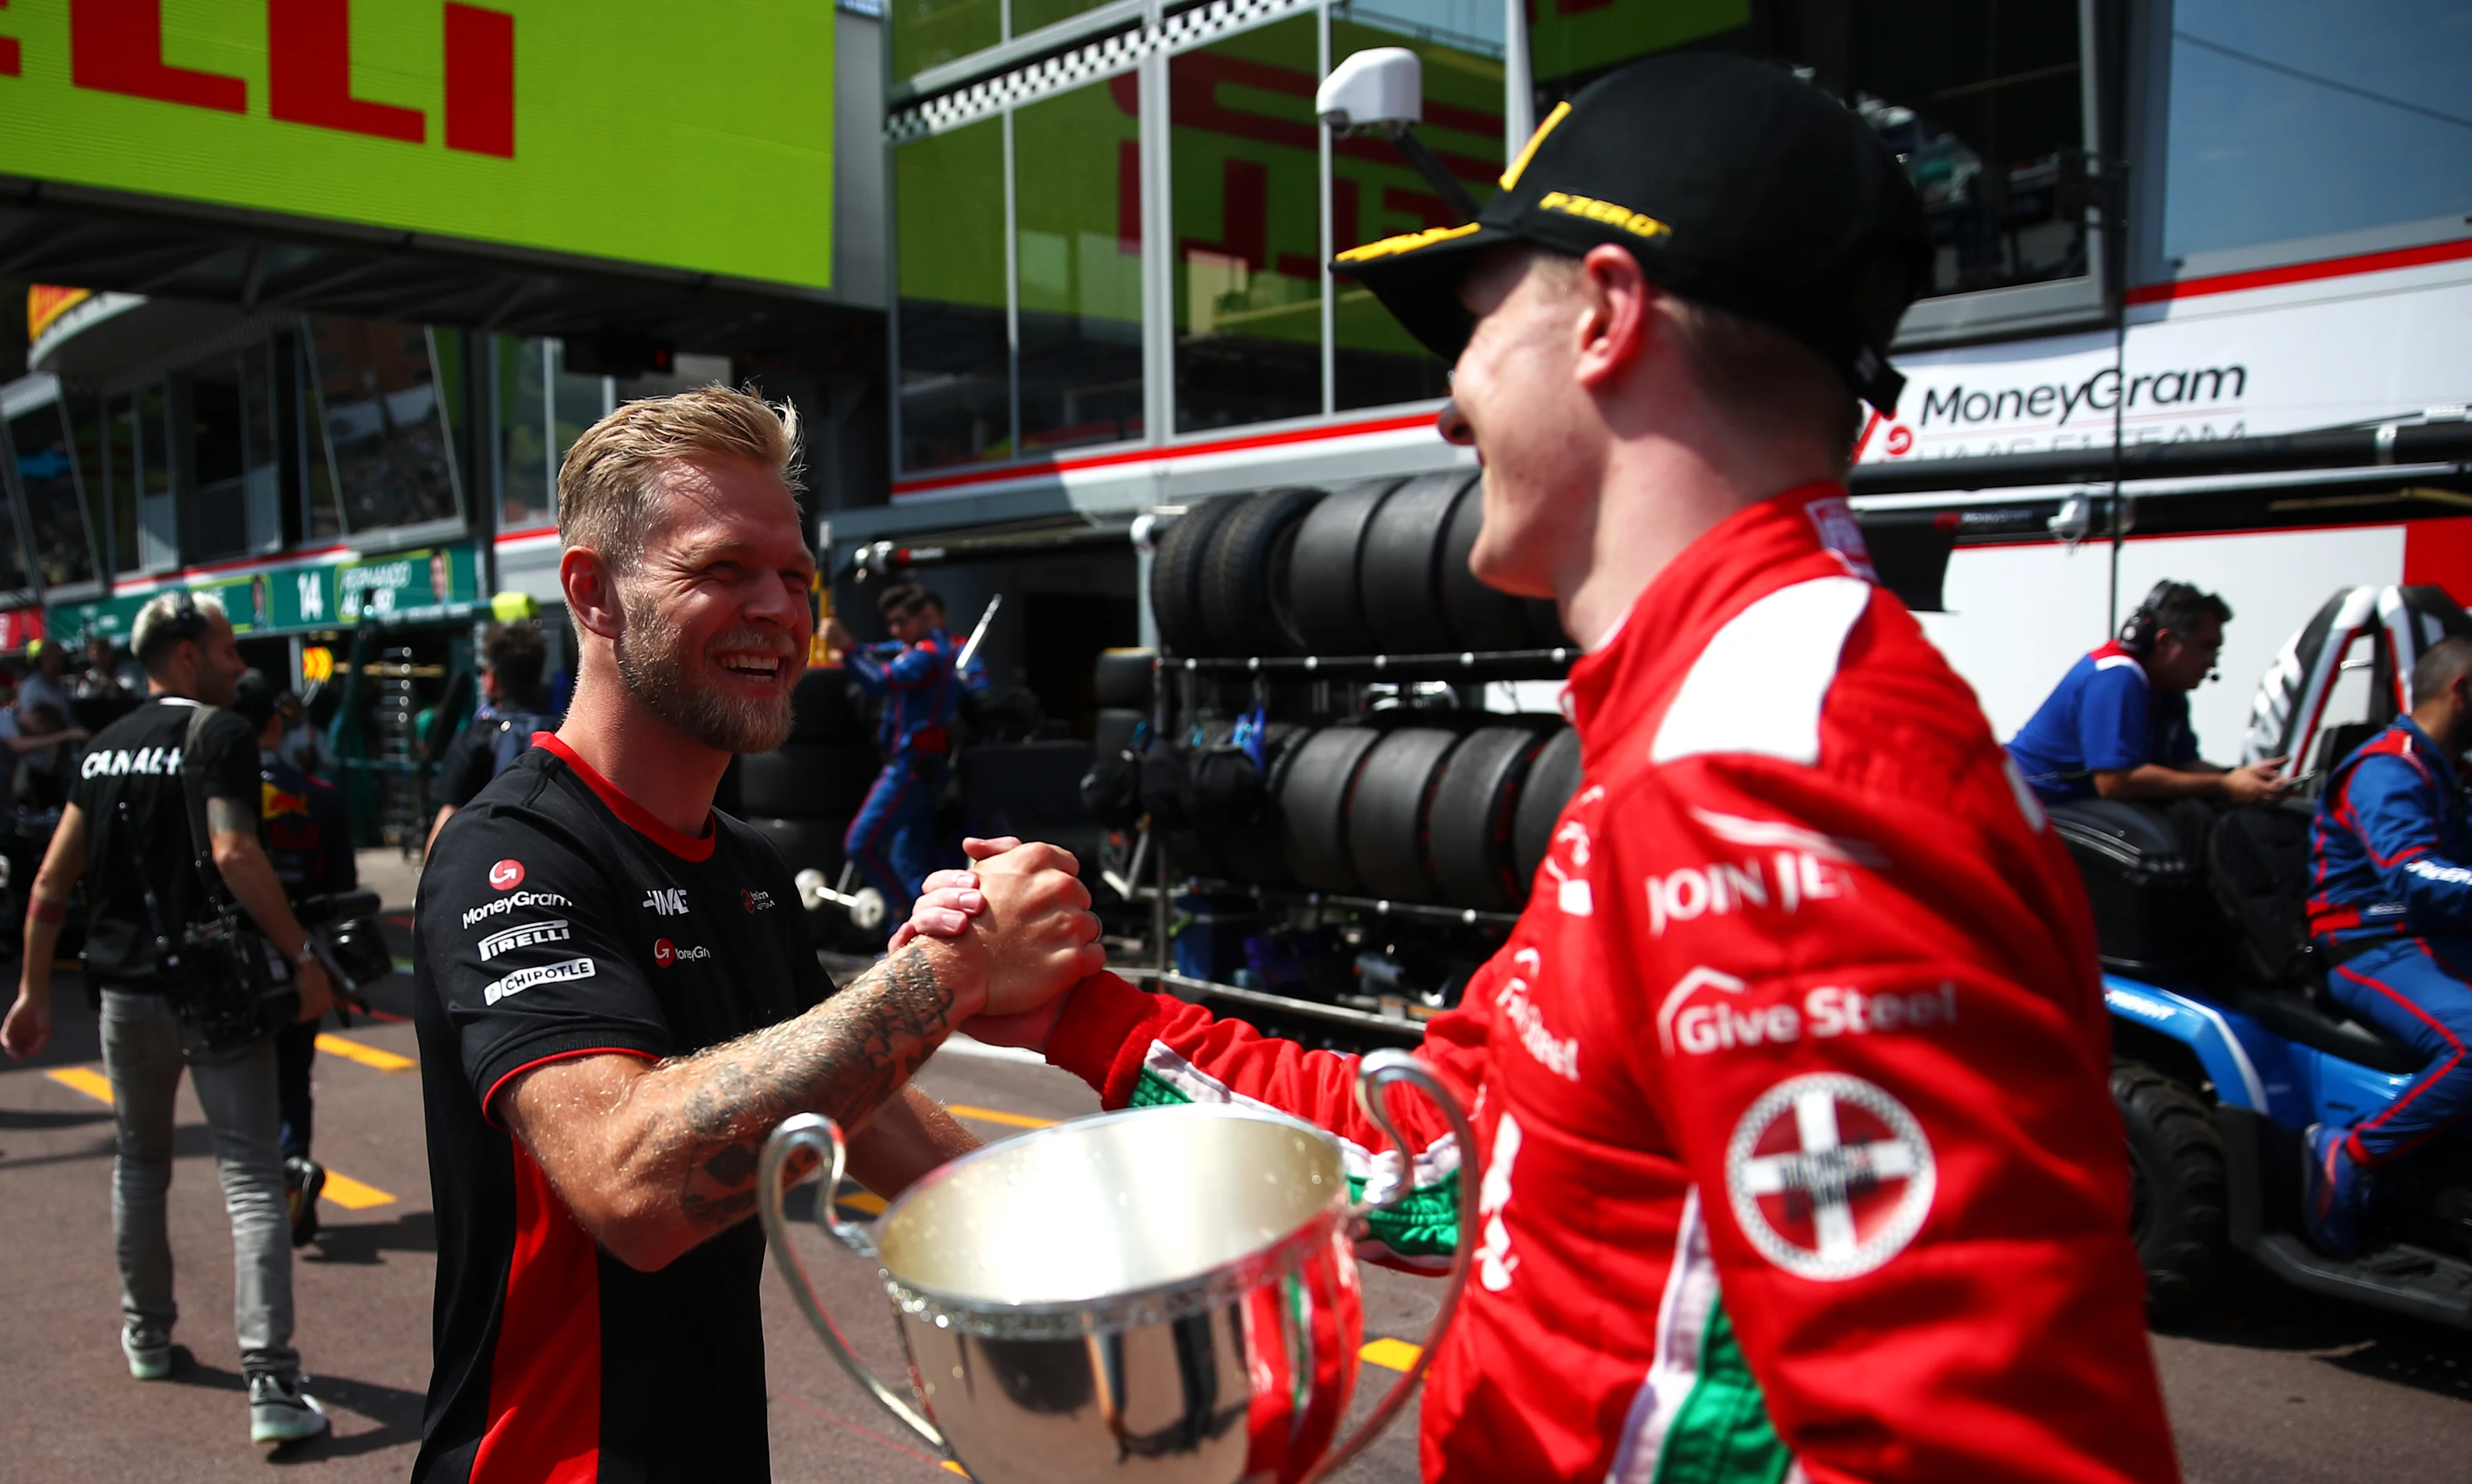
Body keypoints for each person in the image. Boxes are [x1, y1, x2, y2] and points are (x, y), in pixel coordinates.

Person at [906, 54, 2180, 1483]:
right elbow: (1441, 1158)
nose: (1448, 402)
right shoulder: (1702, 731)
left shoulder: (1771, 774)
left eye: (1473, 321)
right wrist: (1081, 1012)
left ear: (1608, 320)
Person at [408, 387, 1102, 1484]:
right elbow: (632, 1190)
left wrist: (1109, 1258)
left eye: (794, 577)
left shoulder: (746, 865)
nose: (780, 609)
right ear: (594, 592)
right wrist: (952, 972)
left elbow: (871, 1116)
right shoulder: (515, 853)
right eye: (723, 569)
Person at [0, 591, 338, 1446]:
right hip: (213, 994)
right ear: (186, 657)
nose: (238, 664)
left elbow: (48, 882)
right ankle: (271, 1384)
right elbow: (233, 850)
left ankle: (147, 1334)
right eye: (225, 648)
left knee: (140, 1166)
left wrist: (33, 991)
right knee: (252, 1179)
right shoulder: (218, 733)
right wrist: (302, 958)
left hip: (121, 996)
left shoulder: (103, 748)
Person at [2302, 635, 2472, 1257]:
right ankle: (2350, 1154)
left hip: (2433, 938)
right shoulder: (2387, 769)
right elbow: (2414, 876)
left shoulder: (2440, 769)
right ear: (2462, 690)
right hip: (2373, 943)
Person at [233, 671, 358, 1249]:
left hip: (236, 962)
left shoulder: (215, 799)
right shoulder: (321, 798)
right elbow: (341, 895)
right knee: (292, 1083)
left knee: (239, 1085)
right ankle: (291, 1177)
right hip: (303, 956)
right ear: (275, 722)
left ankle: (267, 1193)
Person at [2009, 581, 2288, 807]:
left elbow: (2184, 765)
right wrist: (2224, 786)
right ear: (2165, 641)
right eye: (2207, 647)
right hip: (2024, 806)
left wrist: (2241, 777)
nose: (2212, 661)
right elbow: (2116, 782)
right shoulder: (2117, 676)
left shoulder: (2169, 687)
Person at [829, 583, 984, 918]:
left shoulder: (927, 656)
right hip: (922, 768)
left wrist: (847, 649)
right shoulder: (919, 648)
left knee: (861, 844)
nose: (897, 630)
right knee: (910, 860)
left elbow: (880, 681)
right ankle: (916, 930)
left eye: (903, 621)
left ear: (924, 617)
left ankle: (901, 911)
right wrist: (856, 649)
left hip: (911, 770)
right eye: (892, 623)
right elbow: (882, 651)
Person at [0, 698, 88, 961]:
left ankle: (4, 931)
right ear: (40, 720)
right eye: (45, 731)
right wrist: (64, 735)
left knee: (14, 864)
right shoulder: (1, 719)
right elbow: (19, 747)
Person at [422, 618, 557, 854]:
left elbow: (447, 820)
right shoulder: (563, 732)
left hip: (492, 865)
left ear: (492, 678)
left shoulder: (476, 737)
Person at [19, 639, 79, 728]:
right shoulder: (31, 687)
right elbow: (29, 723)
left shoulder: (61, 686)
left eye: (58, 658)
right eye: (49, 658)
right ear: (42, 660)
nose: (54, 663)